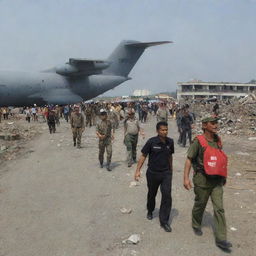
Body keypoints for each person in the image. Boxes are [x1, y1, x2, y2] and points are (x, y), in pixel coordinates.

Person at [183, 116, 232, 252]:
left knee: (219, 208)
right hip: (202, 180)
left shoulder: (218, 140)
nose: (216, 125)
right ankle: (196, 223)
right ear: (205, 125)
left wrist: (224, 176)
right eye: (213, 123)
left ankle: (221, 238)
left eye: (217, 123)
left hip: (216, 181)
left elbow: (219, 159)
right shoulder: (198, 142)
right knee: (200, 204)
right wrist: (186, 178)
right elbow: (189, 160)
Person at [134, 121, 174, 232]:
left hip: (166, 173)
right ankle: (150, 210)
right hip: (152, 173)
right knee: (152, 194)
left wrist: (171, 170)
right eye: (162, 130)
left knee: (167, 196)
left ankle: (164, 221)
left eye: (166, 130)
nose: (165, 132)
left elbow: (170, 156)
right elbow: (143, 156)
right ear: (157, 131)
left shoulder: (170, 142)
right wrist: (137, 171)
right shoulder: (151, 142)